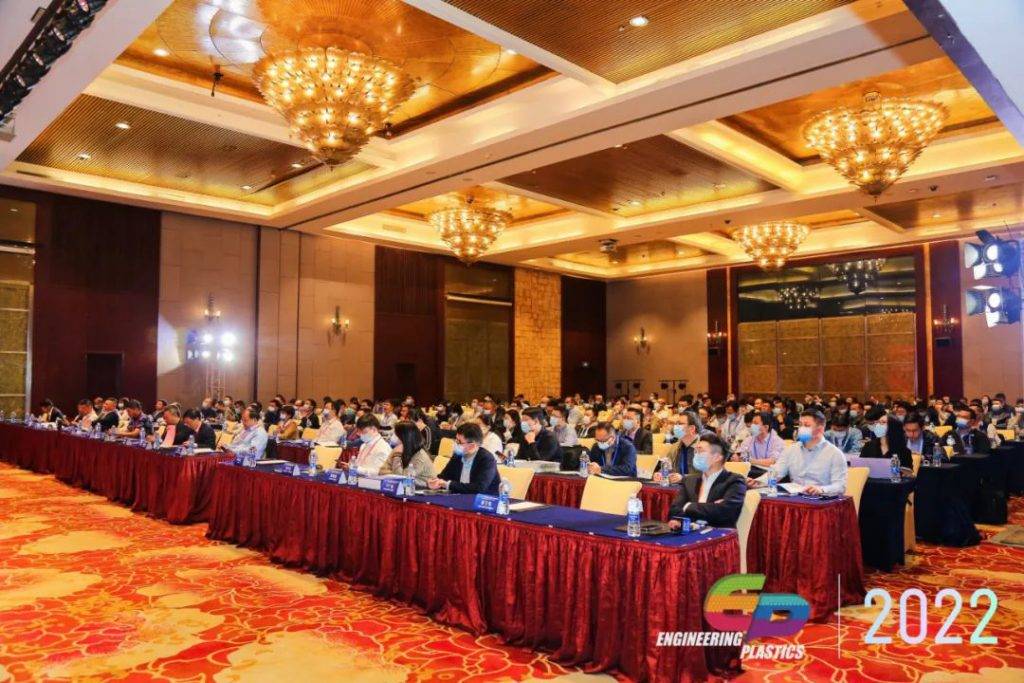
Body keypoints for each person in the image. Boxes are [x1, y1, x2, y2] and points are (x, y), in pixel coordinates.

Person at [750, 410, 848, 495]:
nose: (801, 428)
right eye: (800, 425)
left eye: (807, 425)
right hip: (795, 497)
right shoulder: (791, 450)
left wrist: (821, 489)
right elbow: (776, 472)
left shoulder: (835, 454)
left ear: (820, 429)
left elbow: (840, 486)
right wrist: (757, 482)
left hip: (820, 500)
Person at [668, 434, 747, 528]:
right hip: (691, 532)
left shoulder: (734, 481)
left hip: (717, 534)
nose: (696, 455)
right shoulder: (690, 480)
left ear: (717, 457)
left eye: (700, 451)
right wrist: (712, 507)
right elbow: (674, 511)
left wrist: (688, 506)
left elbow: (725, 512)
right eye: (695, 451)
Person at [428, 422, 500, 494]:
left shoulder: (487, 459)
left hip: (484, 498)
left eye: (459, 442)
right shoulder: (457, 456)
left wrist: (448, 484)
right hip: (460, 496)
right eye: (455, 439)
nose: (455, 444)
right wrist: (435, 482)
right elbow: (444, 477)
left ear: (472, 446)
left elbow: (478, 488)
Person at [382, 420, 435, 486]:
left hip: (424, 489)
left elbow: (403, 479)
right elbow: (382, 470)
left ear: (404, 437)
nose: (393, 438)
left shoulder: (420, 456)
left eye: (396, 435)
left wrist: (397, 456)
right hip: (408, 487)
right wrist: (393, 473)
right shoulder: (400, 449)